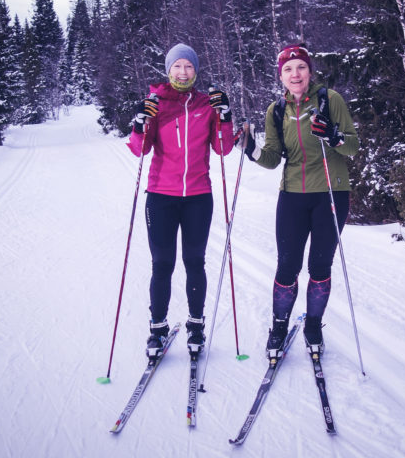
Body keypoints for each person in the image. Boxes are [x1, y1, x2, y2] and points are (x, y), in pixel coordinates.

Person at [243, 44, 359, 359]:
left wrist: (332, 136)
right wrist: (251, 148)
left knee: (320, 266)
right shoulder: (276, 110)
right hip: (292, 195)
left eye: (301, 68)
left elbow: (352, 146)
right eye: (288, 70)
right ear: (281, 76)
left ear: (309, 71)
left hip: (331, 194)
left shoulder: (329, 100)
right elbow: (271, 158)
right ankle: (279, 326)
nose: (295, 74)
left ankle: (313, 324)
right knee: (287, 266)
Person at [127, 43, 234, 360]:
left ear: (196, 71)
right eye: (177, 66)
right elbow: (139, 149)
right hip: (161, 196)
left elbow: (223, 148)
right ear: (168, 69)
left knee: (194, 261)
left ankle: (196, 325)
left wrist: (224, 116)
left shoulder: (206, 103)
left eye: (188, 66)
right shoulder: (155, 103)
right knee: (162, 264)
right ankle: (157, 329)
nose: (183, 72)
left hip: (199, 197)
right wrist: (138, 124)